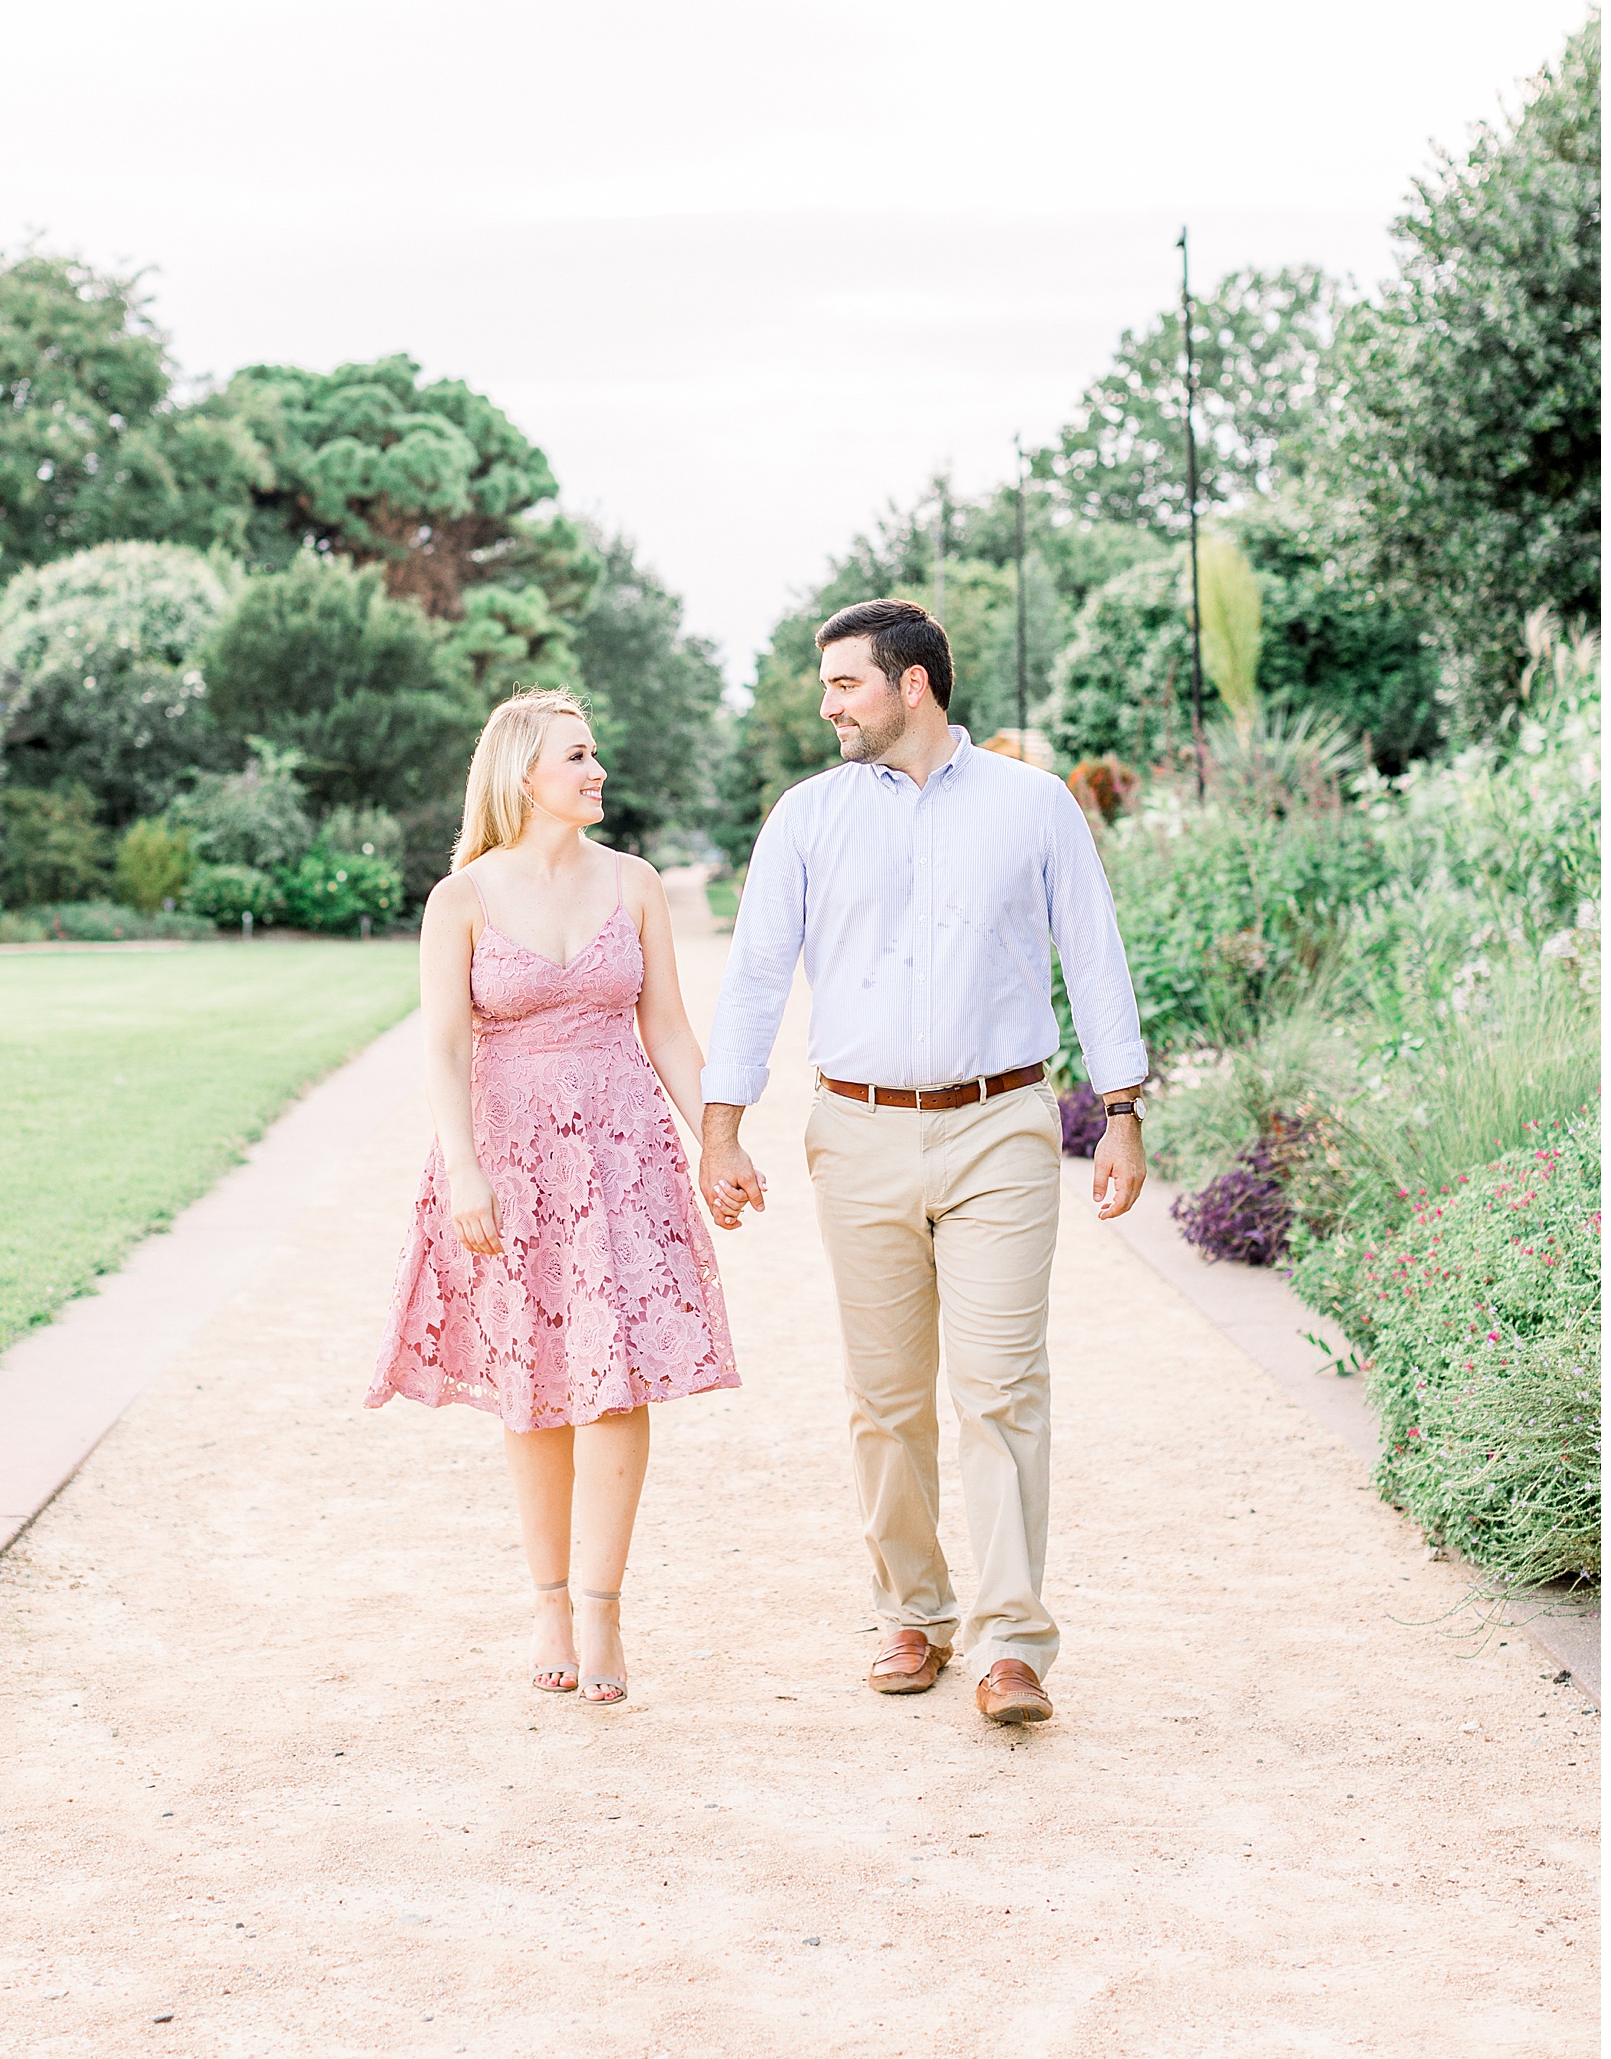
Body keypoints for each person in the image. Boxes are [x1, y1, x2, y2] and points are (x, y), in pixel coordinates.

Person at [698, 600, 1148, 1727]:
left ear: (914, 684)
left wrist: (1125, 1106)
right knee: (887, 1397)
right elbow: (755, 976)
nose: (827, 701)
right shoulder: (805, 818)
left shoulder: (1033, 806)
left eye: (845, 681)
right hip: (856, 1132)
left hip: (1001, 1123)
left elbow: (1094, 952)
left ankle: (1009, 1641)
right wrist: (722, 1124)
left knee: (1001, 1388)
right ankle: (914, 1610)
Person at [366, 688, 740, 1705]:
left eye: (595, 752)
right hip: (509, 1158)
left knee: (618, 1381)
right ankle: (550, 1603)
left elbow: (667, 1028)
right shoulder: (465, 898)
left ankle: (607, 1608)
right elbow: (442, 1043)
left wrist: (718, 1139)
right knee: (534, 1382)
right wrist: (464, 1169)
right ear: (524, 773)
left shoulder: (636, 883)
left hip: (623, 1156)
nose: (597, 768)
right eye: (578, 754)